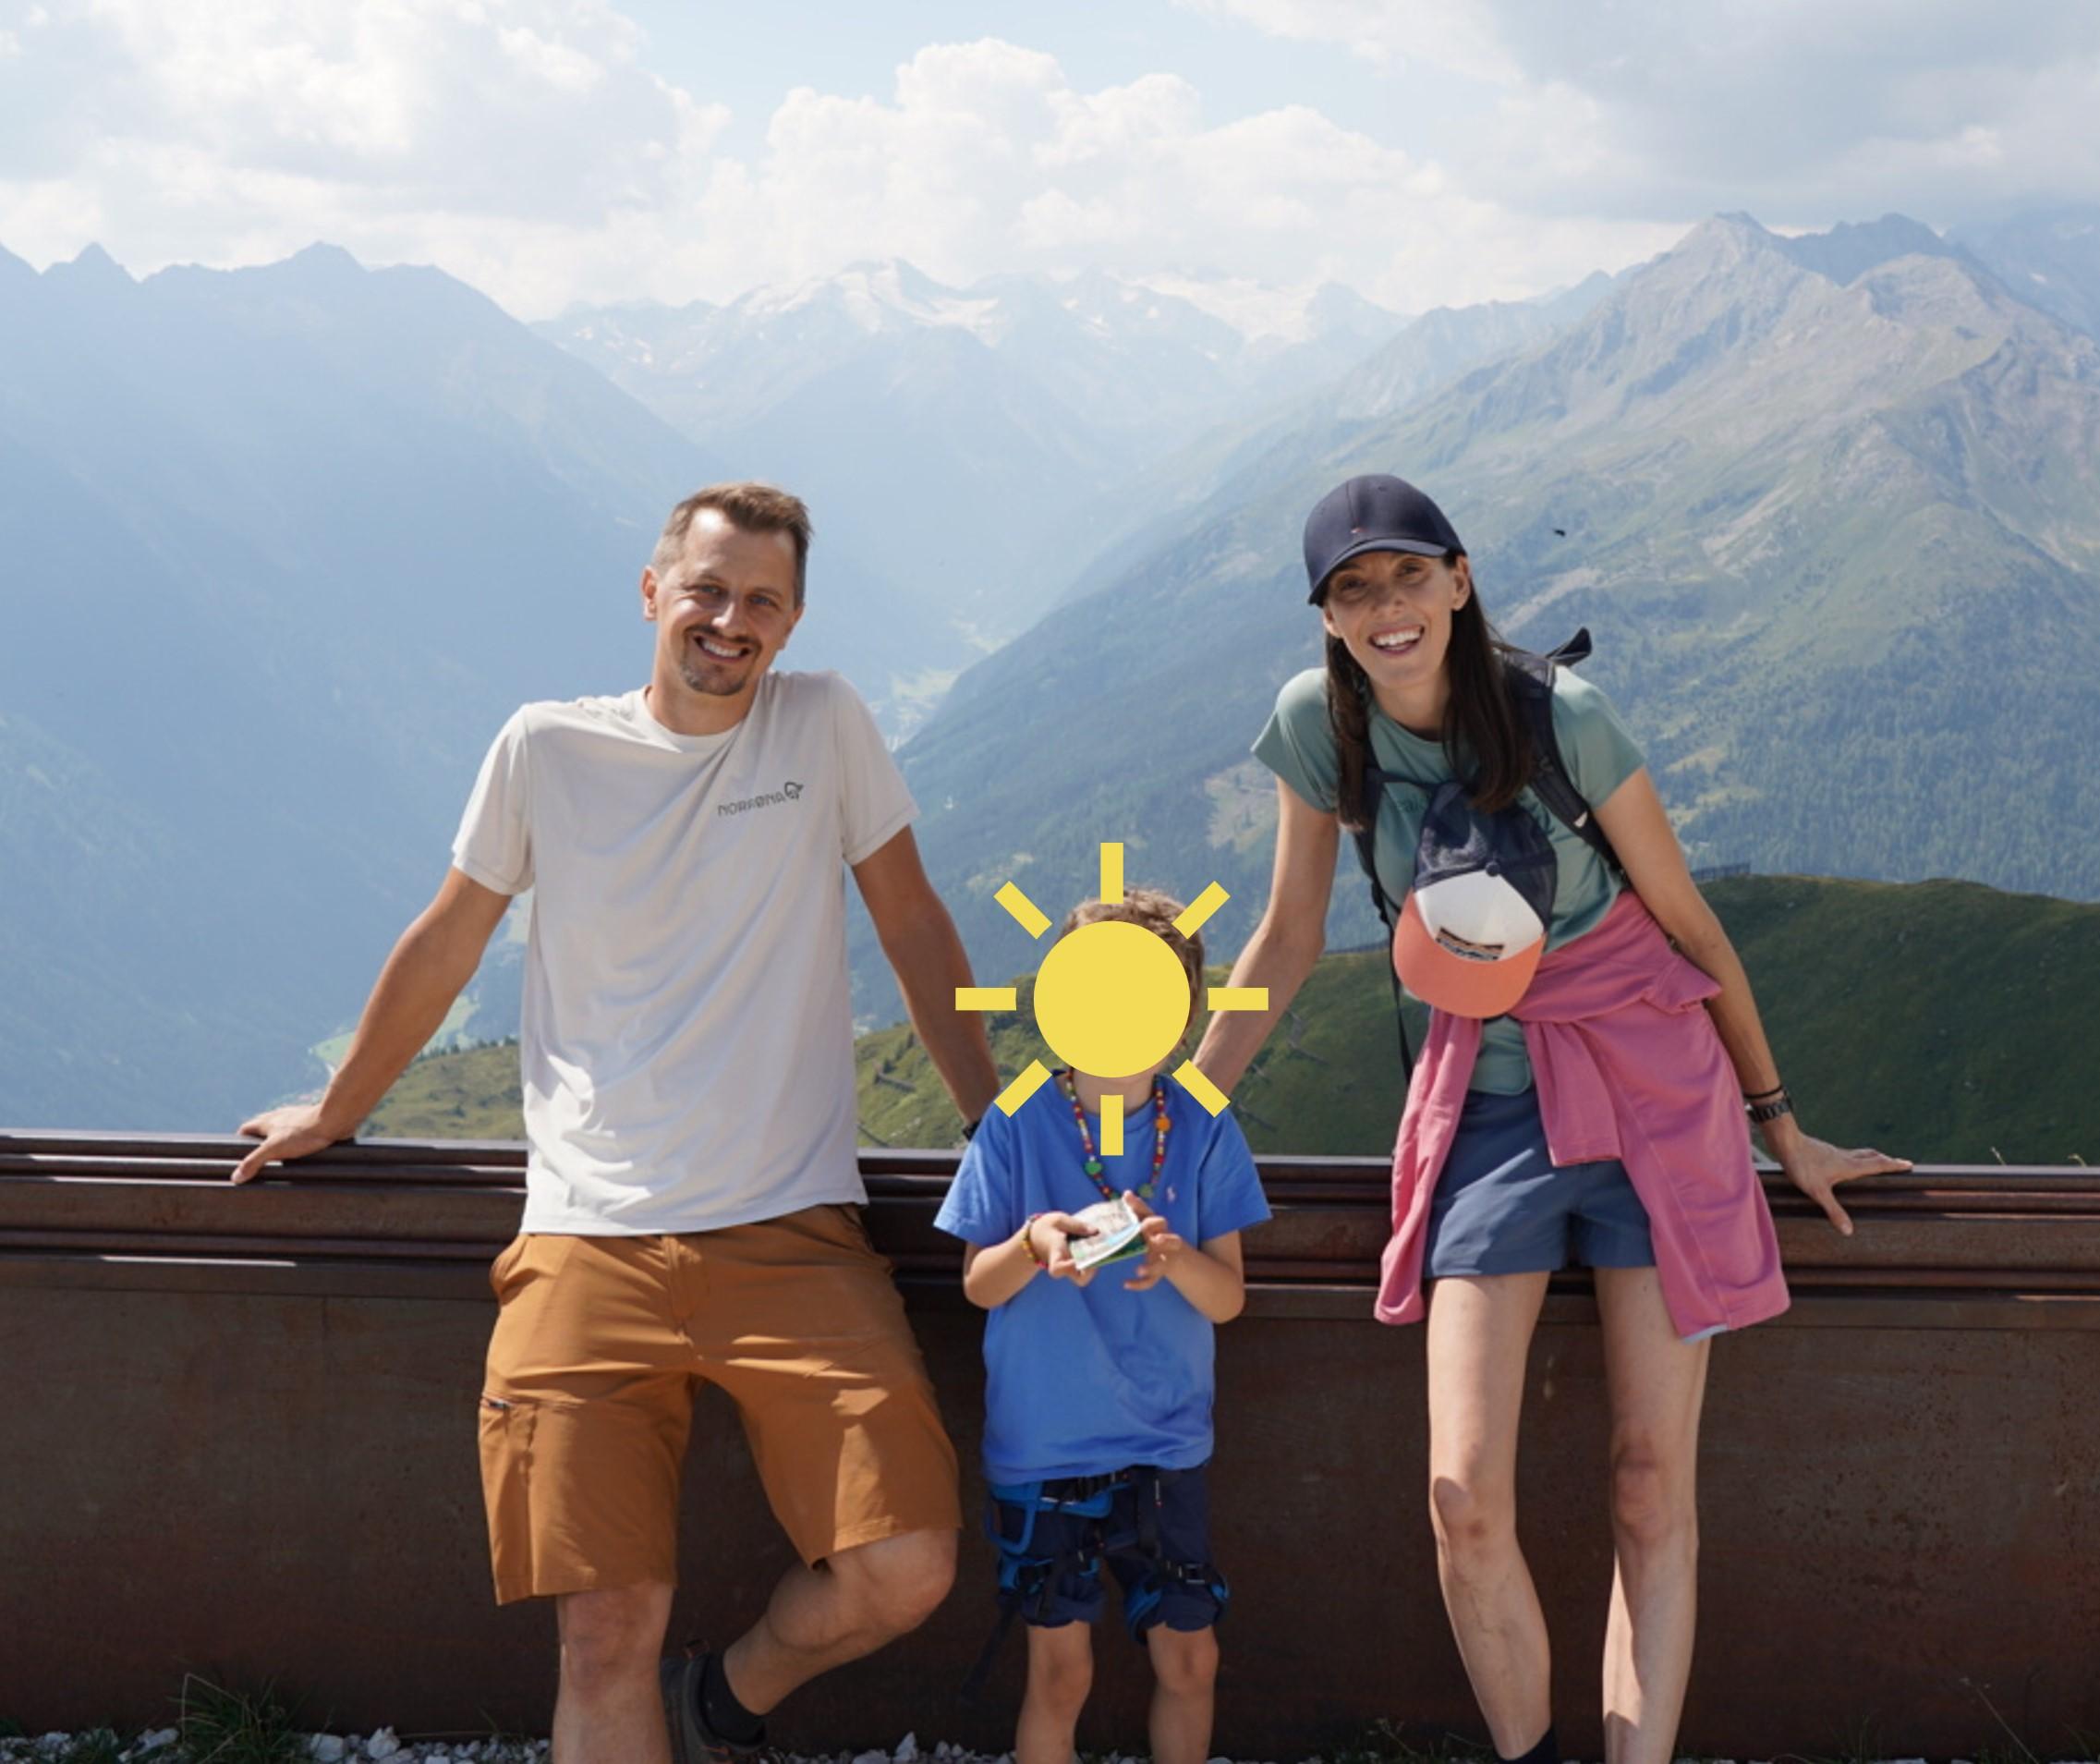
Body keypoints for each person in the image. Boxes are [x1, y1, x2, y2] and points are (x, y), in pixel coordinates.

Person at [232, 482, 1002, 1764]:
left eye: (761, 599)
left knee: (906, 1566)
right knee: (601, 1633)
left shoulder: (826, 728)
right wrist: (343, 1105)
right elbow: (447, 938)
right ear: (653, 593)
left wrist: (994, 1121)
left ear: (794, 620)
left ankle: (723, 1703)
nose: (729, 619)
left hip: (792, 1231)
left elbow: (914, 923)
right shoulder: (545, 747)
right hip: (588, 1234)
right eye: (705, 588)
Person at [1191, 475, 1909, 1764]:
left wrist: (1780, 1124)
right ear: (1329, 619)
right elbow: (1286, 938)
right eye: (1354, 589)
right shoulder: (1320, 723)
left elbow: (1690, 924)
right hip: (1490, 1104)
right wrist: (1180, 1113)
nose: (1386, 606)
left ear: (1461, 581)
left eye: (1408, 575)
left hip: (1651, 1089)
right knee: (1459, 1492)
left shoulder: (1564, 715)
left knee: (1649, 1481)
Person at [934, 887, 1272, 1764]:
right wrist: (1037, 1238)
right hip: (1046, 1450)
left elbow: (1227, 1296)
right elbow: (978, 1281)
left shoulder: (1201, 1127)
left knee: (1191, 1656)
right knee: (1060, 1674)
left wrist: (1174, 1259)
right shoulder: (1014, 1124)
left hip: (1165, 1446)